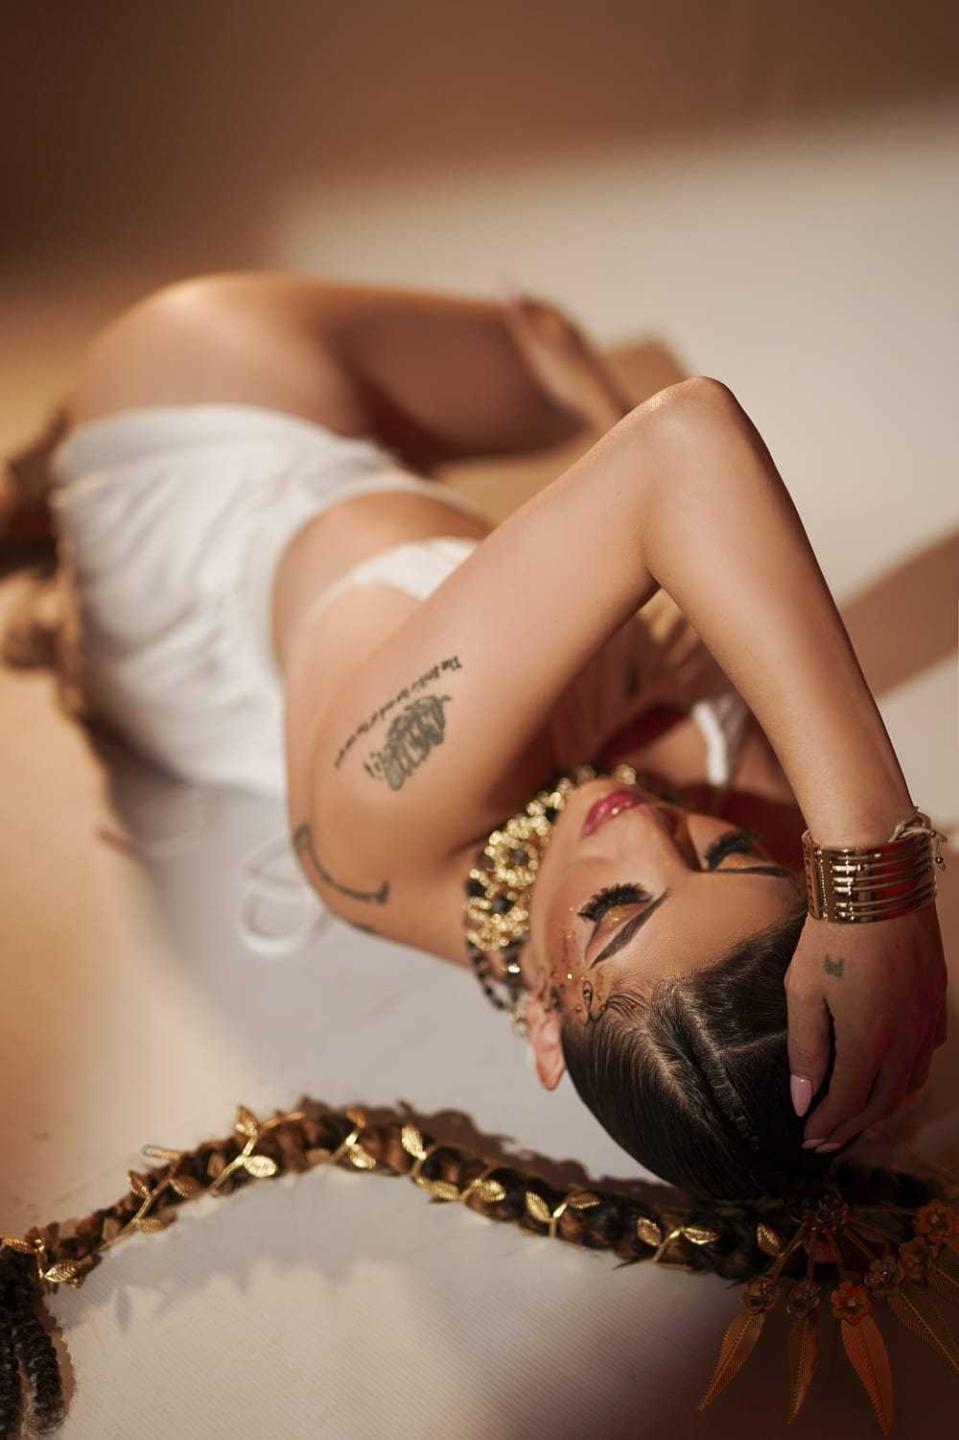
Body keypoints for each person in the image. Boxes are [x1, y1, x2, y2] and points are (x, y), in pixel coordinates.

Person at [7, 272, 947, 1202]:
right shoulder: (690, 845)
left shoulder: (392, 803)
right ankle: (61, 568)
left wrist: (873, 882)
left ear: (544, 1024)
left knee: (553, 351)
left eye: (615, 910)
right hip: (233, 657)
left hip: (214, 432)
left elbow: (683, 441)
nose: (645, 827)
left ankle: (47, 487)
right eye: (726, 855)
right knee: (581, 373)